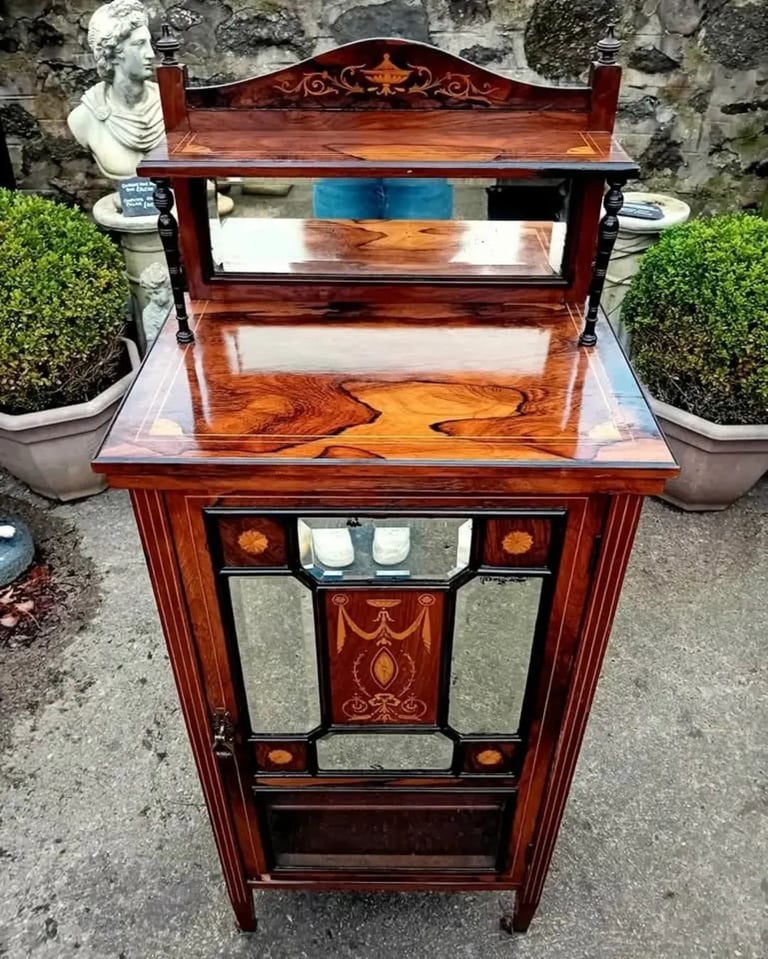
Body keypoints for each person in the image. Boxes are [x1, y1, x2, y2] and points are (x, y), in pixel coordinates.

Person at [67, 0, 163, 181]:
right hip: (127, 207)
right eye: (139, 44)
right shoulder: (83, 119)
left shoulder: (171, 104)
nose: (151, 53)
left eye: (149, 43)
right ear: (112, 52)